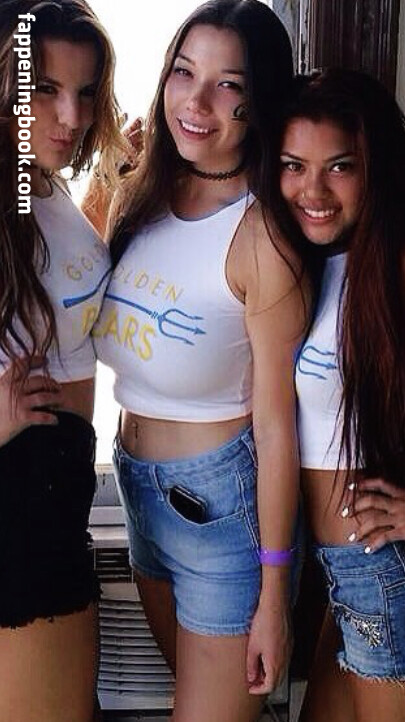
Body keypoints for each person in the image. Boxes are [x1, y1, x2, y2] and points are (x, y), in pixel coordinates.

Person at [94, 1, 310, 720]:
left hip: (222, 515)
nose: (196, 101)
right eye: (185, 73)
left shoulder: (261, 235)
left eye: (228, 85)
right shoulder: (143, 193)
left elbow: (277, 427)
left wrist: (274, 594)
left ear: (260, 101)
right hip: (140, 491)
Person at [0, 1, 125, 720]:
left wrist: (109, 195)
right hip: (17, 510)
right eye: (44, 89)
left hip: (55, 506)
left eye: (84, 92)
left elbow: (58, 289)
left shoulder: (38, 187)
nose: (70, 116)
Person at [279, 68, 405, 722]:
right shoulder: (318, 264)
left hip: (382, 569)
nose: (313, 190)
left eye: (340, 167)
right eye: (294, 166)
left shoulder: (395, 266)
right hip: (343, 575)